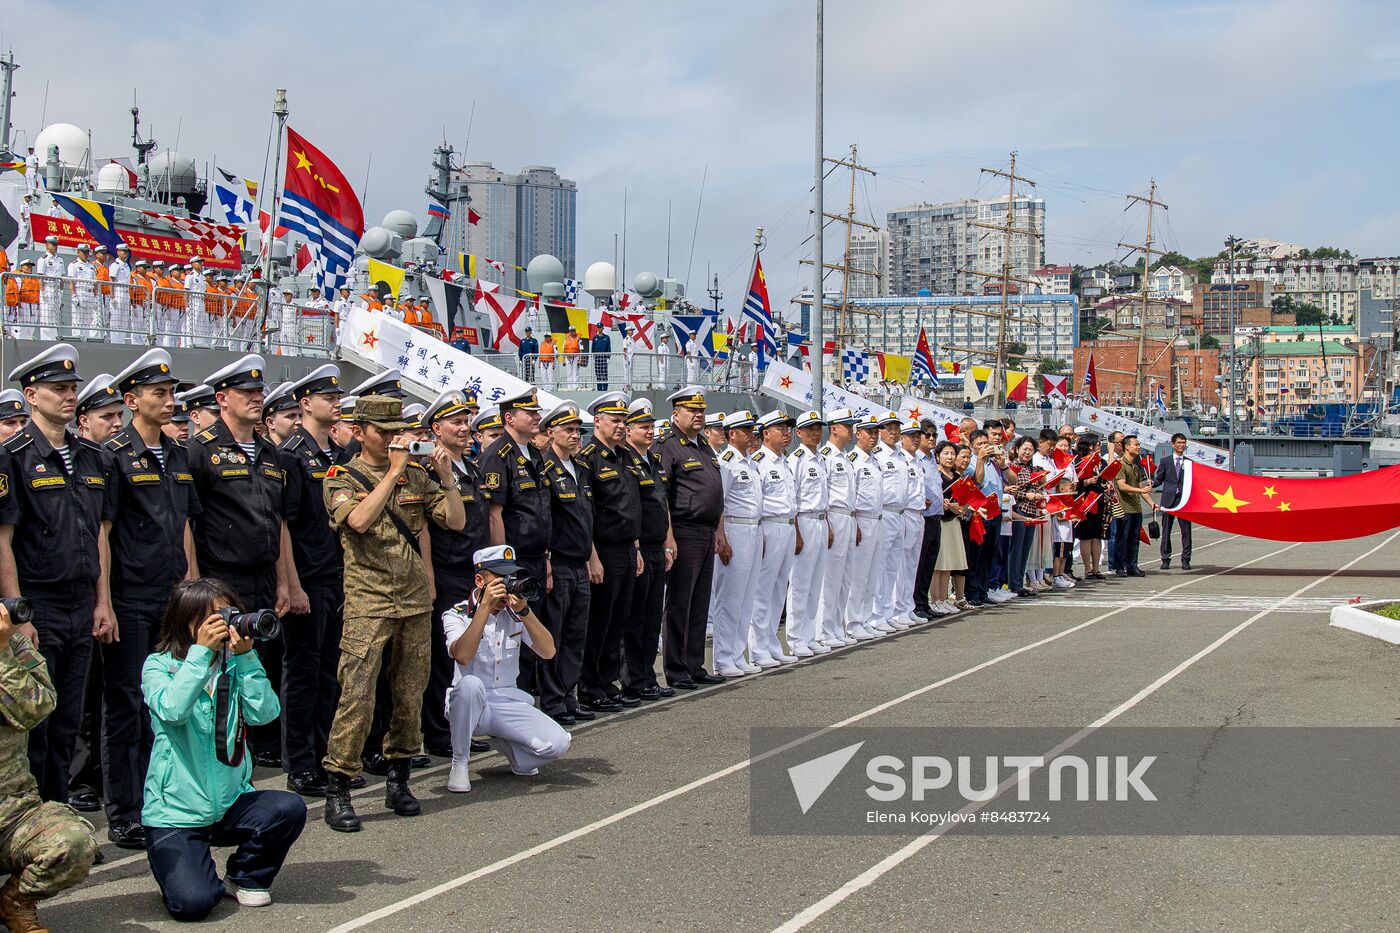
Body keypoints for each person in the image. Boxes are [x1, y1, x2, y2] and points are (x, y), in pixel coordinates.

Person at [320, 396, 464, 832]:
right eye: (383, 433)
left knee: (409, 693)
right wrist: (395, 472)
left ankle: (400, 777)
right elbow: (359, 521)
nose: (392, 440)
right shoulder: (342, 477)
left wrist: (446, 477)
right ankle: (339, 786)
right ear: (359, 431)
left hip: (415, 599)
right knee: (357, 695)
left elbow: (454, 522)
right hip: (369, 601)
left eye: (397, 431)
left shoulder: (419, 474)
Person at [142, 578, 307, 919]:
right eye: (214, 617)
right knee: (194, 904)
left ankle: (244, 877)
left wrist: (246, 659)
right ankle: (188, 873)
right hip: (175, 813)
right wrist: (201, 654)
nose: (226, 622)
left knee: (288, 807)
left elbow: (265, 714)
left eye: (230, 613)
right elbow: (172, 710)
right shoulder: (158, 665)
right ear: (186, 621)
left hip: (230, 802)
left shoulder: (233, 663)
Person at [0, 345, 118, 804]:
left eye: (72, 388)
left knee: (69, 718)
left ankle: (59, 807)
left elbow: (98, 538)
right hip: (38, 605)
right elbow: (3, 540)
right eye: (58, 389)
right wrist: (18, 612)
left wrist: (102, 602)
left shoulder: (92, 457)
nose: (69, 396)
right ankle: (30, 819)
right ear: (32, 394)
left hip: (81, 602)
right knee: (35, 722)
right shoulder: (12, 456)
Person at [99, 349, 201, 849]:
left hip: (172, 596)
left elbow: (185, 527)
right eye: (158, 393)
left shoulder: (178, 455)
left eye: (171, 392)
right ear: (131, 399)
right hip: (131, 595)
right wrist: (105, 601)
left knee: (174, 704)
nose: (169, 401)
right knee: (128, 705)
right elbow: (103, 533)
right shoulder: (113, 454)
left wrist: (196, 593)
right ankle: (125, 810)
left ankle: (165, 797)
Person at [188, 355, 294, 768]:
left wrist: (285, 583)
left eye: (258, 391)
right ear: (222, 399)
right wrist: (196, 586)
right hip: (221, 579)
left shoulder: (270, 453)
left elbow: (279, 522)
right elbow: (188, 521)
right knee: (217, 675)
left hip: (263, 578)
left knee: (254, 671)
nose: (256, 398)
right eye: (246, 392)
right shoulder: (200, 450)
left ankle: (243, 759)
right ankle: (215, 762)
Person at [0, 603, 99, 933]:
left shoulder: (13, 643)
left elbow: (38, 708)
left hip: (13, 814)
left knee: (74, 843)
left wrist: (1, 653)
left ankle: (16, 901)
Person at [443, 545, 571, 793]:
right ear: (480, 581)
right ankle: (459, 763)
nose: (507, 586)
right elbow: (463, 656)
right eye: (500, 580)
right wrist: (483, 609)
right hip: (470, 707)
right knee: (470, 685)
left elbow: (548, 651)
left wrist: (524, 611)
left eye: (511, 578)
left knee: (558, 744)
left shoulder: (515, 614)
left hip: (507, 702)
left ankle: (518, 757)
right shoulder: (457, 614)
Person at [276, 365, 346, 797]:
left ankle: (326, 754)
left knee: (330, 673)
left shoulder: (336, 454)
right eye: (328, 397)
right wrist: (293, 584)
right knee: (302, 673)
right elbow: (284, 523)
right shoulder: (291, 454)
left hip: (337, 575)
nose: (337, 404)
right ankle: (300, 763)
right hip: (308, 577)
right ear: (305, 404)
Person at [420, 390, 491, 753]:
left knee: (471, 655)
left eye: (466, 422)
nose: (465, 429)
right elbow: (424, 529)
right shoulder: (430, 469)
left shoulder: (472, 467)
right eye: (456, 423)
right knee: (444, 655)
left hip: (473, 573)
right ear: (437, 429)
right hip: (447, 572)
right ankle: (436, 731)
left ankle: (461, 726)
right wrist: (429, 576)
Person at [655, 387, 725, 689]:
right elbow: (663, 497)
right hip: (684, 530)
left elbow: (716, 492)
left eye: (701, 410)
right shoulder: (668, 446)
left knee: (699, 602)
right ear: (676, 414)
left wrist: (719, 531)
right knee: (680, 603)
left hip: (706, 531)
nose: (698, 415)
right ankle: (676, 668)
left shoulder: (704, 447)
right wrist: (669, 538)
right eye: (692, 411)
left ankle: (695, 664)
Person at [578, 392, 643, 712]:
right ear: (597, 422)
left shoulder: (625, 456)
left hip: (626, 548)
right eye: (615, 420)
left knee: (619, 619)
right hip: (603, 550)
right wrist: (593, 557)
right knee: (600, 621)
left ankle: (607, 681)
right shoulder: (589, 458)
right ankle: (590, 686)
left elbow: (630, 507)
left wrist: (637, 548)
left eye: (623, 421)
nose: (621, 426)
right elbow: (586, 512)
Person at [533, 402, 595, 724]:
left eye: (576, 430)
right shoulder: (544, 469)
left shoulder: (580, 468)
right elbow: (545, 520)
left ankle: (569, 694)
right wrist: (545, 560)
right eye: (568, 430)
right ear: (550, 432)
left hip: (579, 563)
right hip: (557, 562)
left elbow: (587, 519)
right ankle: (553, 700)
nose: (574, 435)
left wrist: (591, 557)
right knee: (553, 635)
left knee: (575, 634)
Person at [619, 399, 677, 700]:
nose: (650, 431)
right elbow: (631, 508)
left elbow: (661, 503)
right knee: (635, 619)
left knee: (652, 617)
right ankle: (632, 681)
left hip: (657, 546)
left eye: (651, 426)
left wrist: (669, 540)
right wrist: (638, 547)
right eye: (644, 427)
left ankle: (647, 677)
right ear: (628, 431)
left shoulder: (652, 460)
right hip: (638, 548)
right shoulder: (626, 462)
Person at [749, 411, 799, 665]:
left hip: (787, 526)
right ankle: (758, 648)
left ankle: (771, 643)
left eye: (788, 428)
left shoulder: (785, 461)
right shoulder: (760, 461)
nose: (787, 432)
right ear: (765, 433)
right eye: (781, 428)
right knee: (762, 590)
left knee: (779, 588)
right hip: (769, 526)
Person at [784, 411, 829, 656]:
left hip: (821, 521)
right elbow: (794, 500)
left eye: (818, 428)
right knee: (800, 584)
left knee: (815, 584)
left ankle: (809, 635)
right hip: (804, 521)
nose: (815, 432)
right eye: (810, 428)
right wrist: (798, 533)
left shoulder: (821, 459)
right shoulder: (797, 460)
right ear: (798, 433)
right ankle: (795, 638)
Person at [815, 409, 859, 646]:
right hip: (833, 517)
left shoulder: (845, 457)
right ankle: (823, 630)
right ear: (834, 428)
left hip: (849, 518)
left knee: (844, 577)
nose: (851, 431)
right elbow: (826, 494)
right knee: (830, 578)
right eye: (847, 426)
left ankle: (836, 627)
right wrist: (829, 526)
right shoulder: (827, 456)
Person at [844, 415, 886, 640]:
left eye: (876, 432)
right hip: (861, 519)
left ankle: (866, 618)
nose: (873, 436)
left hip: (877, 519)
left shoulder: (874, 460)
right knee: (858, 575)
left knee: (871, 574)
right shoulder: (854, 459)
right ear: (858, 433)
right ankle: (853, 621)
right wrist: (857, 522)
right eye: (869, 432)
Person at [911, 423, 944, 619]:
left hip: (936, 515)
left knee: (929, 563)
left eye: (934, 435)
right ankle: (916, 603)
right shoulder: (916, 459)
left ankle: (923, 601)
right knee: (919, 563)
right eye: (927, 435)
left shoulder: (932, 459)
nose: (931, 438)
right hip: (922, 516)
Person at [1112, 435, 1154, 578]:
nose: (1138, 447)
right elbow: (1121, 485)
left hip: (1136, 508)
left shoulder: (1135, 467)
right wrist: (1140, 490)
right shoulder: (1120, 465)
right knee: (1122, 538)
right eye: (1135, 444)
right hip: (1124, 508)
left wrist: (1152, 504)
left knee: (1134, 538)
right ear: (1126, 446)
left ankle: (1132, 565)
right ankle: (1119, 567)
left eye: (1138, 444)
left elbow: (1140, 487)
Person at [1154, 432, 1193, 570]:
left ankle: (1186, 559)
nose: (1181, 445)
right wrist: (1150, 484)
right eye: (1179, 443)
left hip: (1183, 500)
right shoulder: (1165, 461)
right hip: (1168, 499)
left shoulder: (1189, 463)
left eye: (1183, 443)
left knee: (1186, 531)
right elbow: (1159, 479)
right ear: (1173, 444)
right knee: (1166, 530)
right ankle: (1165, 558)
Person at [35, 236, 64, 342]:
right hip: (47, 288)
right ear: (47, 245)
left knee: (55, 314)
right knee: (46, 315)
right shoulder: (43, 259)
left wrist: (61, 291)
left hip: (56, 289)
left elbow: (62, 278)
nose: (56, 246)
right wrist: (42, 291)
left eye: (56, 244)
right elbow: (40, 277)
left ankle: (54, 337)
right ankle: (46, 339)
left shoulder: (60, 260)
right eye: (53, 244)